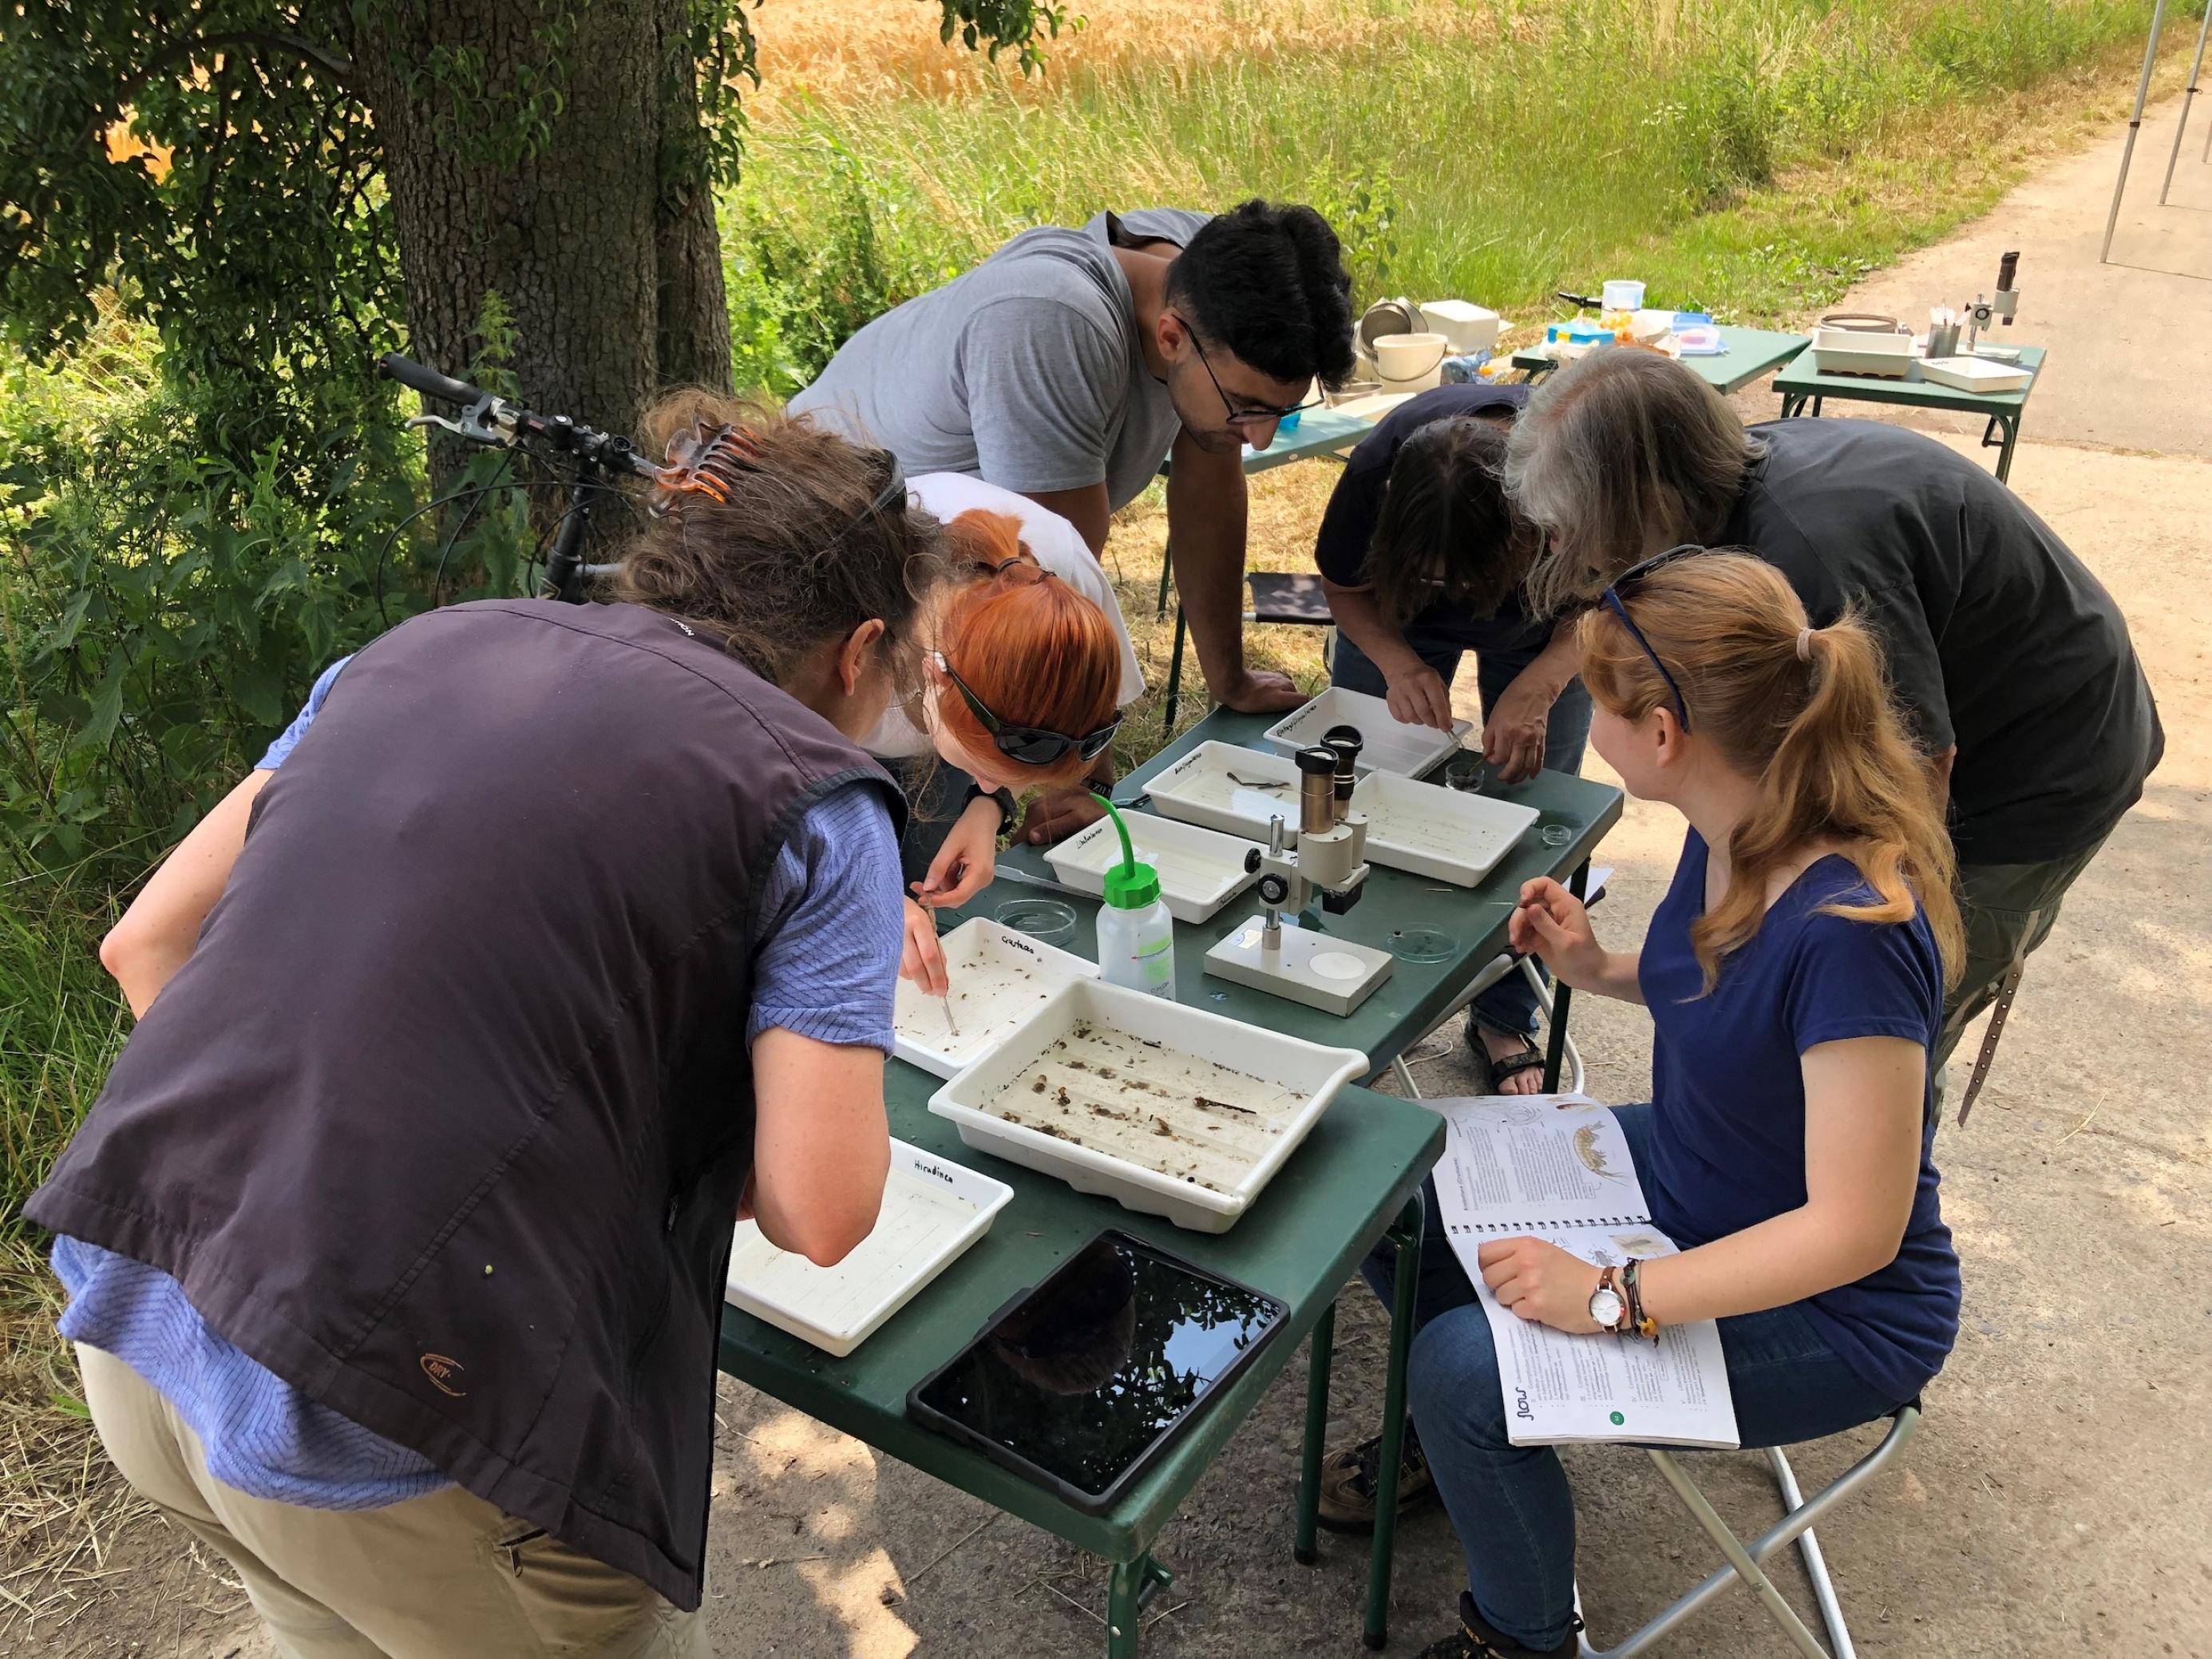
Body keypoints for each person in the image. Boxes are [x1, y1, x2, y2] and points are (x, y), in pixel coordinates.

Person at [26, 399, 944, 1657]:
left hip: (140, 1321)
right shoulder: (818, 803)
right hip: (398, 1415)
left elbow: (144, 944)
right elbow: (820, 1208)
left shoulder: (413, 649)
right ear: (857, 651)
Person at [1396, 551, 1964, 1658]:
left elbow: (1854, 1229)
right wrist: (1593, 963)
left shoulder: (1855, 930)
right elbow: (1719, 987)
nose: (1579, 707)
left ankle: (1520, 1632)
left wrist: (1609, 1296)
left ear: (1660, 732)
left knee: (1456, 1368)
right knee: (1400, 1181)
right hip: (1701, 1179)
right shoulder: (1735, 822)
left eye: (1595, 695)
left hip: (1838, 1308)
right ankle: (1479, 1432)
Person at [1503, 349, 2162, 1111]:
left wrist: (1859, 943)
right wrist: (1611, 969)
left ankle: (1844, 1182)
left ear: (1642, 493)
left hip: (2033, 769)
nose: (1564, 550)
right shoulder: (1711, 487)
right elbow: (1718, 935)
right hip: (1955, 717)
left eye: (1568, 527)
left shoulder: (1812, 558)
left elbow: (1913, 775)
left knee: (1867, 1032)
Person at [789, 199, 1356, 728]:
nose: (1257, 439)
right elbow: (1045, 583)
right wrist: (1080, 767)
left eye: (1277, 413)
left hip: (954, 553)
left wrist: (1228, 677)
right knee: (928, 782)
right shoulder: (1049, 324)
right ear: (1170, 337)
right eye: (1246, 409)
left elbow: (1208, 486)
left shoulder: (1200, 272)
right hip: (830, 555)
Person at [1314, 382, 1589, 1091]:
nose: (1458, 593)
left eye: (1469, 576)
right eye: (1437, 573)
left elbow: (1612, 602)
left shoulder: (1574, 477)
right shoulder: (1376, 474)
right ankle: (1355, 980)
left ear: (1532, 528)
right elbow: (1343, 585)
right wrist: (1396, 660)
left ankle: (1502, 1014)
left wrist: (1542, 683)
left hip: (1544, 629)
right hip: (1398, 622)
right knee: (1361, 789)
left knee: (1535, 811)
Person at [872, 496, 1131, 995]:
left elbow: (1058, 731)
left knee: (921, 896)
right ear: (934, 676)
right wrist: (855, 887)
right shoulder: (844, 638)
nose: (991, 780)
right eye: (983, 767)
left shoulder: (1065, 590)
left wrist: (988, 802)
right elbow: (770, 793)